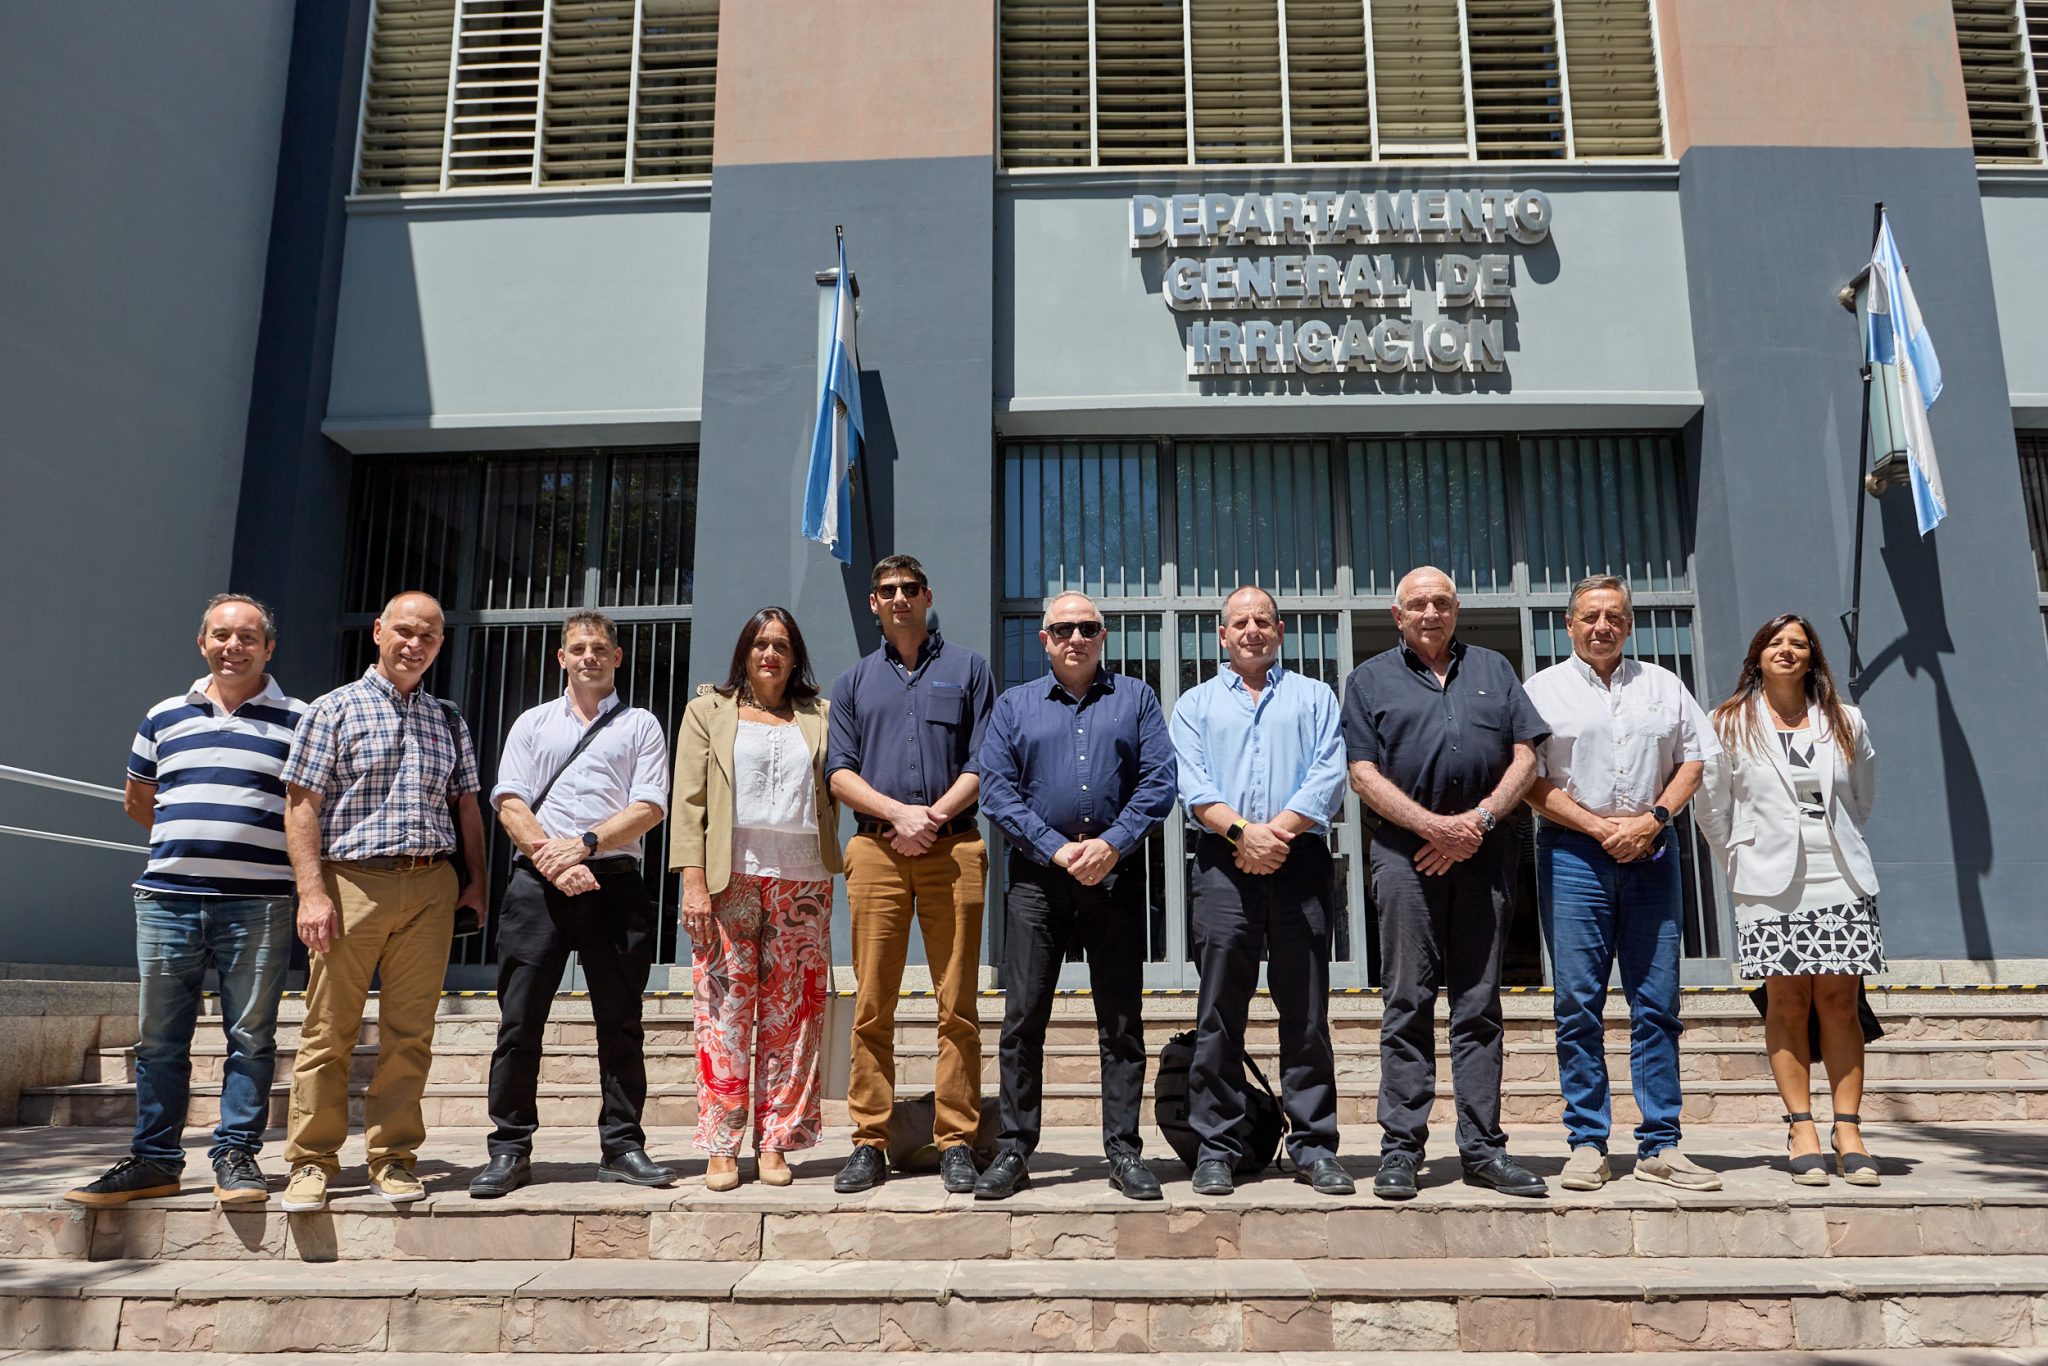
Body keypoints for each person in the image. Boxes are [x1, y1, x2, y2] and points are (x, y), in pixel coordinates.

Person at [66, 596, 308, 1208]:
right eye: (221, 635)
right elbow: (138, 800)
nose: (234, 646)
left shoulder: (300, 719)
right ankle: (155, 1160)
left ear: (269, 648)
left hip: (260, 903)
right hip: (167, 901)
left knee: (252, 1038)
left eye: (247, 637)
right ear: (202, 643)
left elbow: (308, 809)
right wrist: (196, 840)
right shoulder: (163, 716)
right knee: (159, 1041)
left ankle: (236, 1155)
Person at [1344, 566, 1549, 1200]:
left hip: (1485, 853)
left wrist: (1477, 823)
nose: (1430, 613)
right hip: (1405, 857)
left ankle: (1483, 1149)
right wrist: (1434, 828)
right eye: (1418, 604)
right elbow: (1362, 774)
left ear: (1456, 609)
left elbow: (1527, 755)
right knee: (1407, 1001)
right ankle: (1401, 1150)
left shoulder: (1494, 669)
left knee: (1479, 1004)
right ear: (1397, 615)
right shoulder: (1369, 679)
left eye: (1441, 602)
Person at [276, 590, 486, 1212]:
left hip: (429, 885)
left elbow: (467, 806)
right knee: (328, 1029)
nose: (414, 644)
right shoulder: (332, 710)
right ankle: (311, 1161)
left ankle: (393, 1156)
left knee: (410, 1032)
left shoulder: (448, 718)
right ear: (377, 631)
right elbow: (301, 805)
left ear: (440, 644)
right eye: (404, 631)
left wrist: (476, 882)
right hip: (350, 884)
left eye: (428, 636)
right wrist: (311, 892)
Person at [973, 592, 1177, 1201]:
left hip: (1115, 877)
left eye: (1087, 628)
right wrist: (1056, 849)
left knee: (1122, 1023)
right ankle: (1014, 1148)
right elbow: (996, 790)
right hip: (1038, 881)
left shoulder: (1136, 699)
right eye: (1062, 629)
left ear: (1103, 635)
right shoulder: (1014, 706)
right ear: (1044, 640)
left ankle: (1124, 1151)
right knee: (1022, 1019)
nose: (1075, 639)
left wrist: (1112, 844)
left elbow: (1159, 781)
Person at [1522, 575, 1722, 1192]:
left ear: (1629, 625)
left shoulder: (1663, 685)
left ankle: (1662, 1144)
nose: (1602, 626)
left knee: (1657, 1004)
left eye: (1614, 616)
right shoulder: (1541, 691)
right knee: (1577, 1005)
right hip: (1572, 854)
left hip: (1653, 851)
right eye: (1590, 616)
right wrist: (1598, 827)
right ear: (1569, 625)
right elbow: (1528, 777)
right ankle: (1587, 1142)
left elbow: (1694, 758)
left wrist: (1653, 820)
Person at [469, 611, 673, 1198]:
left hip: (614, 884)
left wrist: (584, 846)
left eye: (600, 648)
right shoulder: (532, 723)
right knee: (519, 1021)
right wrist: (554, 862)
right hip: (538, 885)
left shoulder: (641, 725)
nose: (589, 657)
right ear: (562, 657)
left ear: (617, 657)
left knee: (621, 1022)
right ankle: (509, 1149)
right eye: (578, 648)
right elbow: (509, 802)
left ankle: (622, 1146)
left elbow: (649, 806)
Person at [1169, 585, 1350, 1196]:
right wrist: (1245, 834)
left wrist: (1275, 835)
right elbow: (1192, 783)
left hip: (1300, 860)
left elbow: (1328, 775)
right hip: (1223, 864)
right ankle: (1216, 1147)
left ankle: (1314, 1146)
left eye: (1263, 620)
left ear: (1279, 630)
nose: (1252, 630)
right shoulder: (1194, 704)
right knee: (1220, 1011)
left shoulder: (1315, 697)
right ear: (1222, 635)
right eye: (1240, 622)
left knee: (1307, 1013)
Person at [825, 554, 996, 1194]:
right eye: (888, 590)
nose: (899, 597)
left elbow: (985, 759)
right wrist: (899, 815)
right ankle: (870, 1141)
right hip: (876, 853)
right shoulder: (853, 683)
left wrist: (932, 817)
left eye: (910, 588)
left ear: (928, 595)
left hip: (955, 850)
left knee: (959, 1006)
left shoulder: (969, 669)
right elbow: (839, 773)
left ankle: (957, 1141)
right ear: (874, 603)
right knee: (872, 1003)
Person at [1696, 613, 1881, 1186]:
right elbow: (1712, 807)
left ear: (1812, 657)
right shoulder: (1728, 722)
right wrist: (1741, 862)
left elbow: (1861, 798)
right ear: (1757, 656)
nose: (1786, 650)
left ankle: (1848, 1130)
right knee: (1787, 1003)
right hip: (1766, 879)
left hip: (1839, 872)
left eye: (1798, 643)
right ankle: (1802, 1127)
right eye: (1775, 642)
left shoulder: (1845, 719)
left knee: (1841, 1002)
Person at [671, 607, 840, 1189]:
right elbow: (689, 803)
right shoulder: (707, 711)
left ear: (796, 658)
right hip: (729, 878)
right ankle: (721, 1144)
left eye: (782, 646)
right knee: (723, 1010)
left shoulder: (821, 715)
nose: (770, 654)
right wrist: (693, 881)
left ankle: (776, 1141)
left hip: (805, 878)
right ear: (745, 651)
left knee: (794, 1015)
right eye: (761, 644)